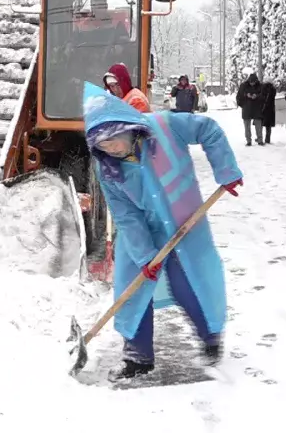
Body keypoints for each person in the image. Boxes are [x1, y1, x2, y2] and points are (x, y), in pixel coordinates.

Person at [82, 82, 243, 380]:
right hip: (142, 230)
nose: (111, 148)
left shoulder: (165, 125)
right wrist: (145, 255)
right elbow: (126, 215)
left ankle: (210, 337)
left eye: (114, 138)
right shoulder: (107, 168)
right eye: (102, 145)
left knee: (189, 283)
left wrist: (226, 170)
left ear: (128, 126)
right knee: (133, 286)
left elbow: (208, 129)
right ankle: (137, 356)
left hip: (185, 222)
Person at [235, 70, 275, 146]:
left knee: (258, 125)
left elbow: (264, 96)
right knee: (247, 126)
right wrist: (246, 97)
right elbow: (239, 97)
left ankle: (260, 140)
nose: (252, 84)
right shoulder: (243, 85)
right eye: (251, 82)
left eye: (253, 82)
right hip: (247, 108)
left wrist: (257, 96)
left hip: (257, 108)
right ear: (248, 81)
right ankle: (248, 141)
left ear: (256, 81)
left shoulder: (260, 86)